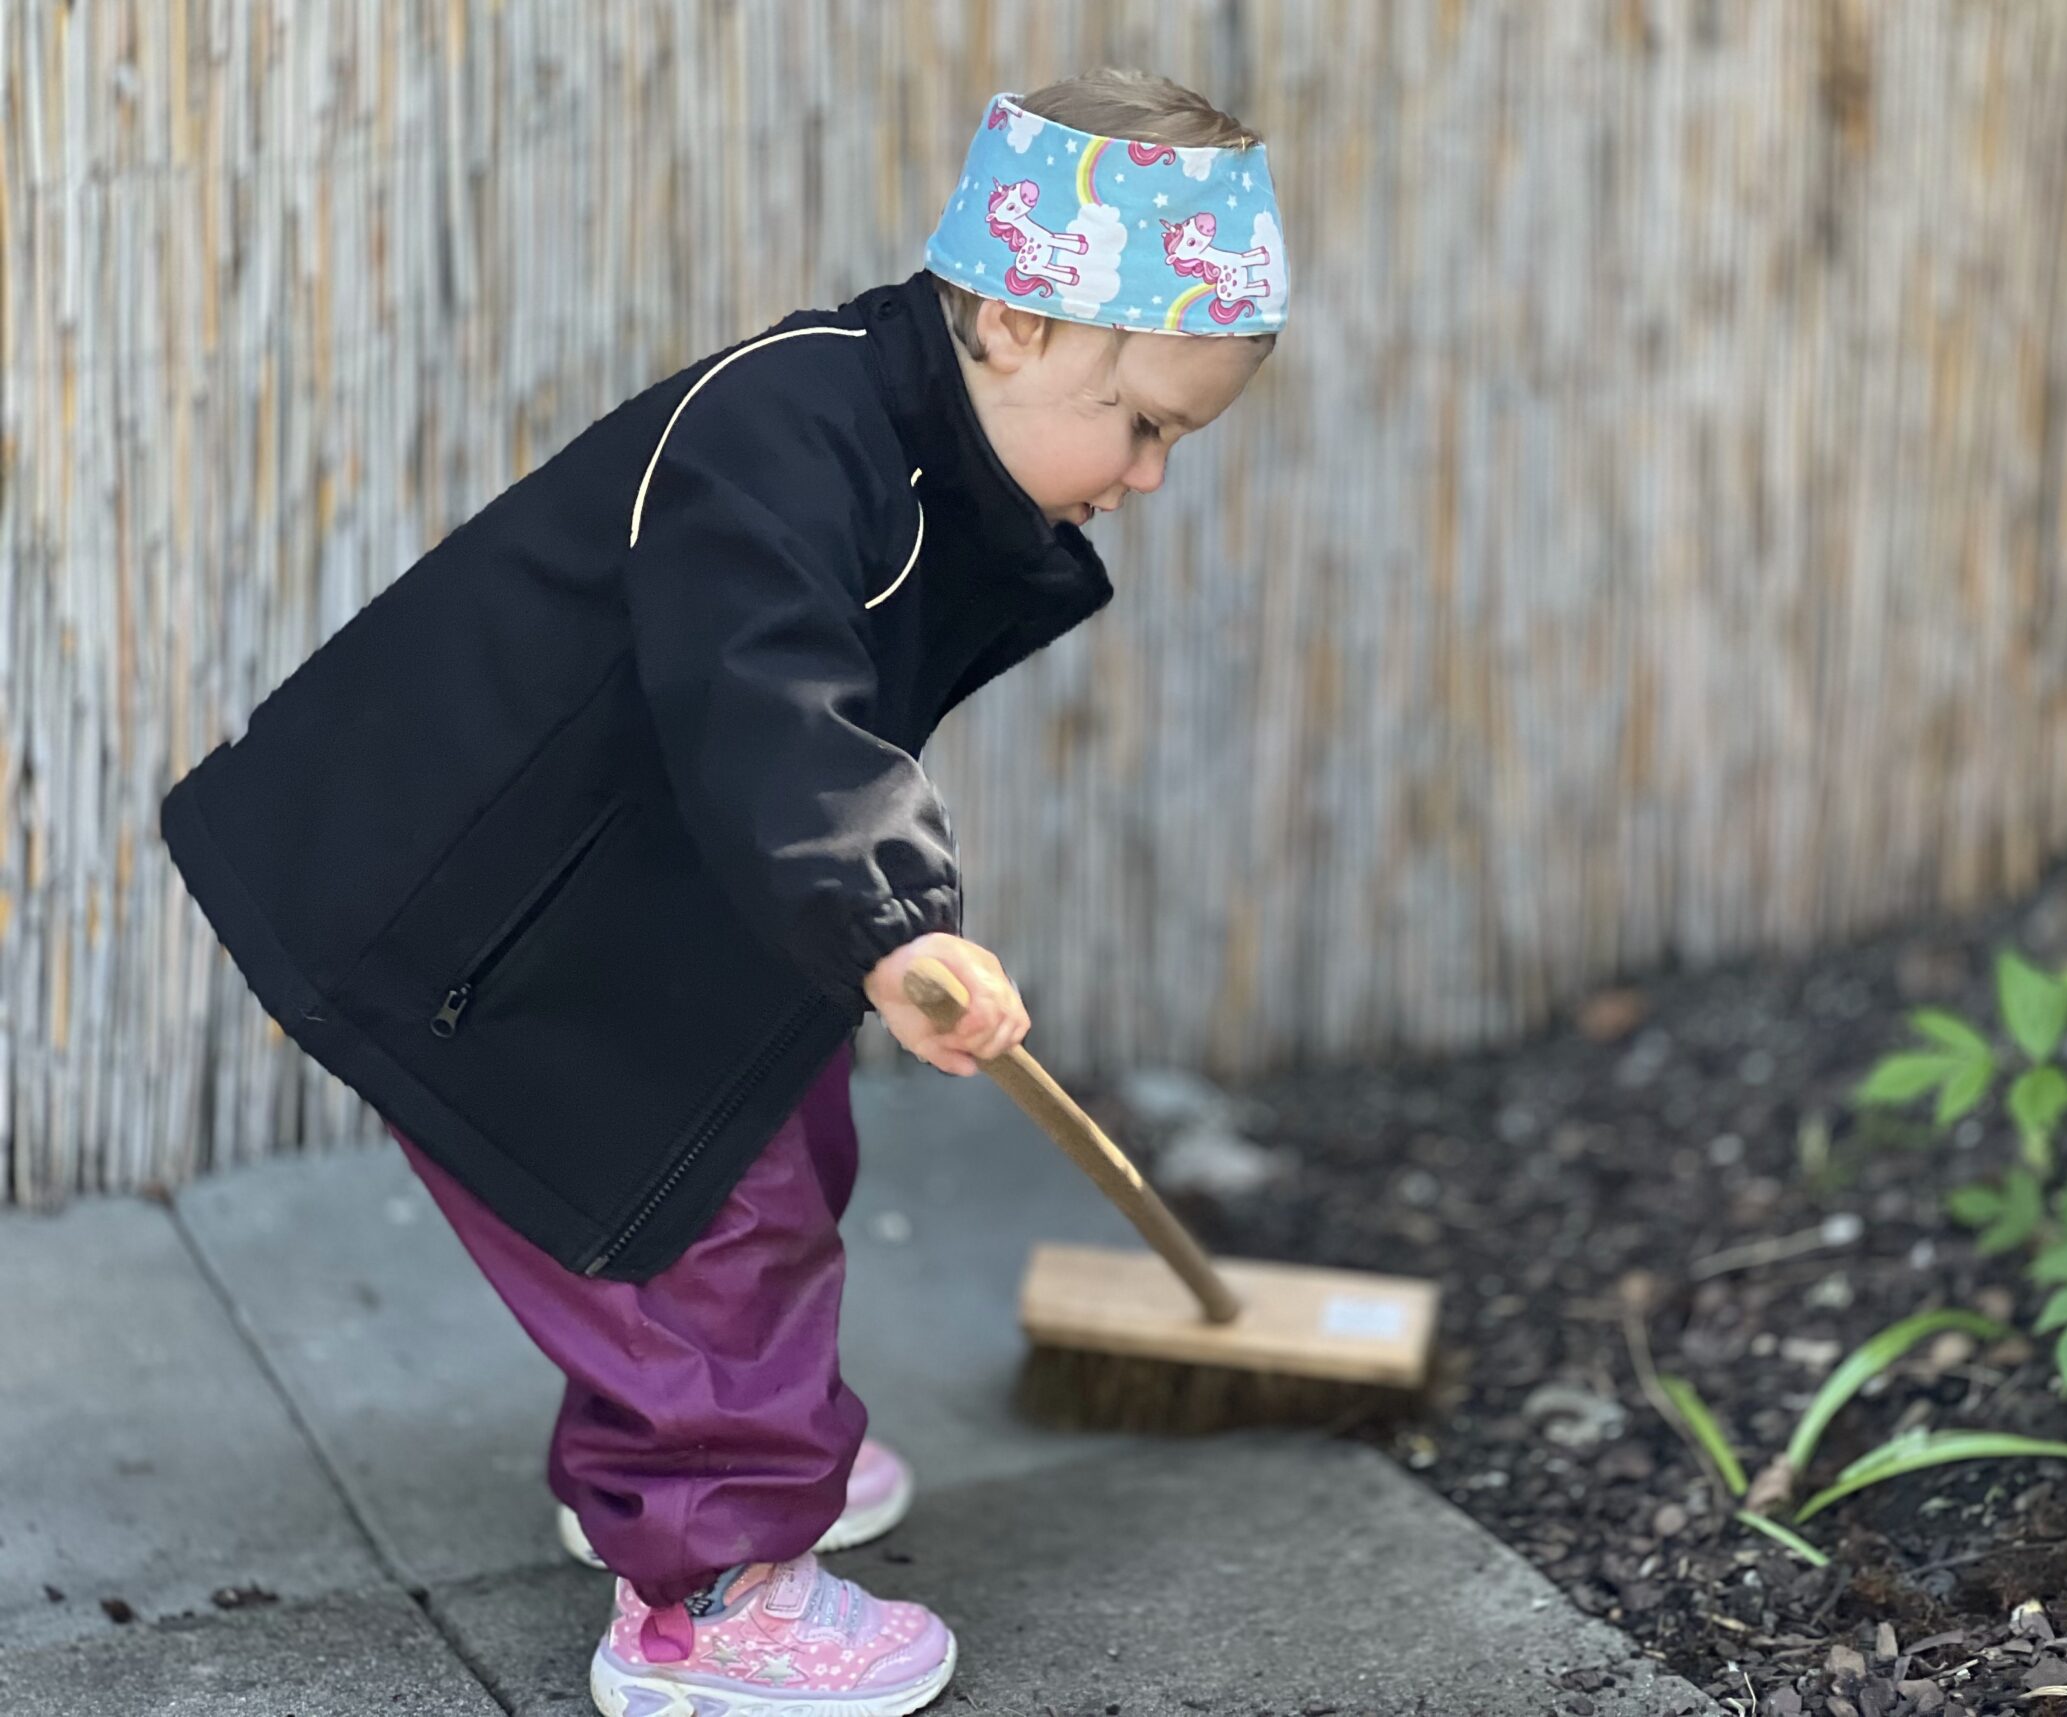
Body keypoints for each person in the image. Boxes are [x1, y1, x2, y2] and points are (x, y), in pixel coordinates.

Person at [158, 68, 1285, 1717]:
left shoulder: (908, 445)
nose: (1150, 477)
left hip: (620, 883)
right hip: (469, 913)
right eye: (1148, 426)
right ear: (1021, 327)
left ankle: (688, 1467)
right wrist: (895, 921)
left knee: (783, 1130)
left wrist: (865, 931)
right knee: (706, 1214)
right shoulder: (785, 428)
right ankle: (706, 1596)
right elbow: (768, 700)